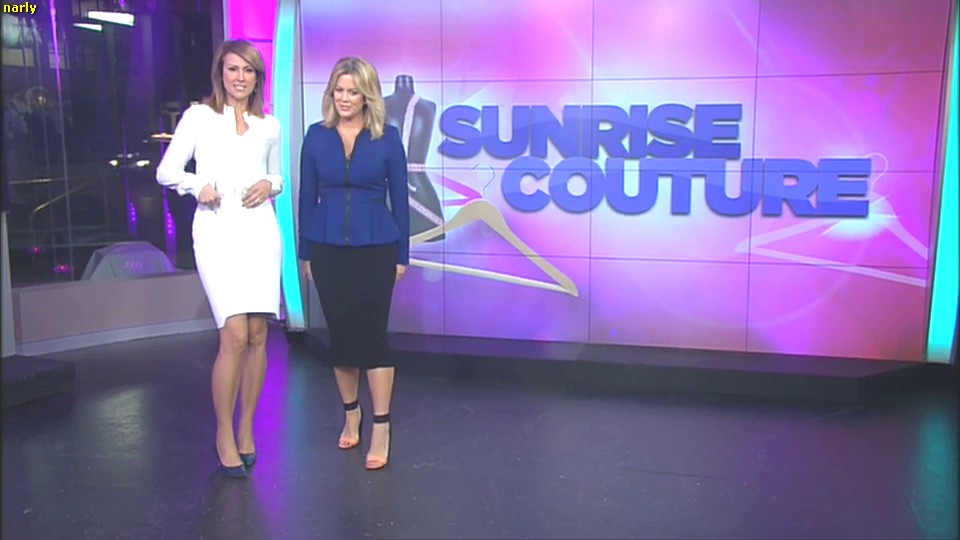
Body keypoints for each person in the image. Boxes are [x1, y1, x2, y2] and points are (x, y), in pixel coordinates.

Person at [156, 39, 283, 478]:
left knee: (258, 334)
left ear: (257, 78)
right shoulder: (199, 117)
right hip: (216, 230)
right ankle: (223, 434)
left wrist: (271, 184)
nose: (240, 77)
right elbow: (166, 170)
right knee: (234, 334)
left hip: (260, 230)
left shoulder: (269, 125)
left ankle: (247, 429)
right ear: (220, 73)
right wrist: (198, 185)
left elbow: (278, 174)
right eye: (233, 69)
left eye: (248, 70)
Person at [299, 57, 410, 471]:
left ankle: (381, 425)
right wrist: (306, 252)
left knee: (373, 336)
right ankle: (352, 413)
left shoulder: (387, 138)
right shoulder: (317, 136)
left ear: (367, 96)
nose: (344, 99)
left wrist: (402, 255)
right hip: (326, 247)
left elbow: (401, 200)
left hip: (377, 246)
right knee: (342, 336)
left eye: (353, 92)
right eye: (339, 91)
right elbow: (306, 197)